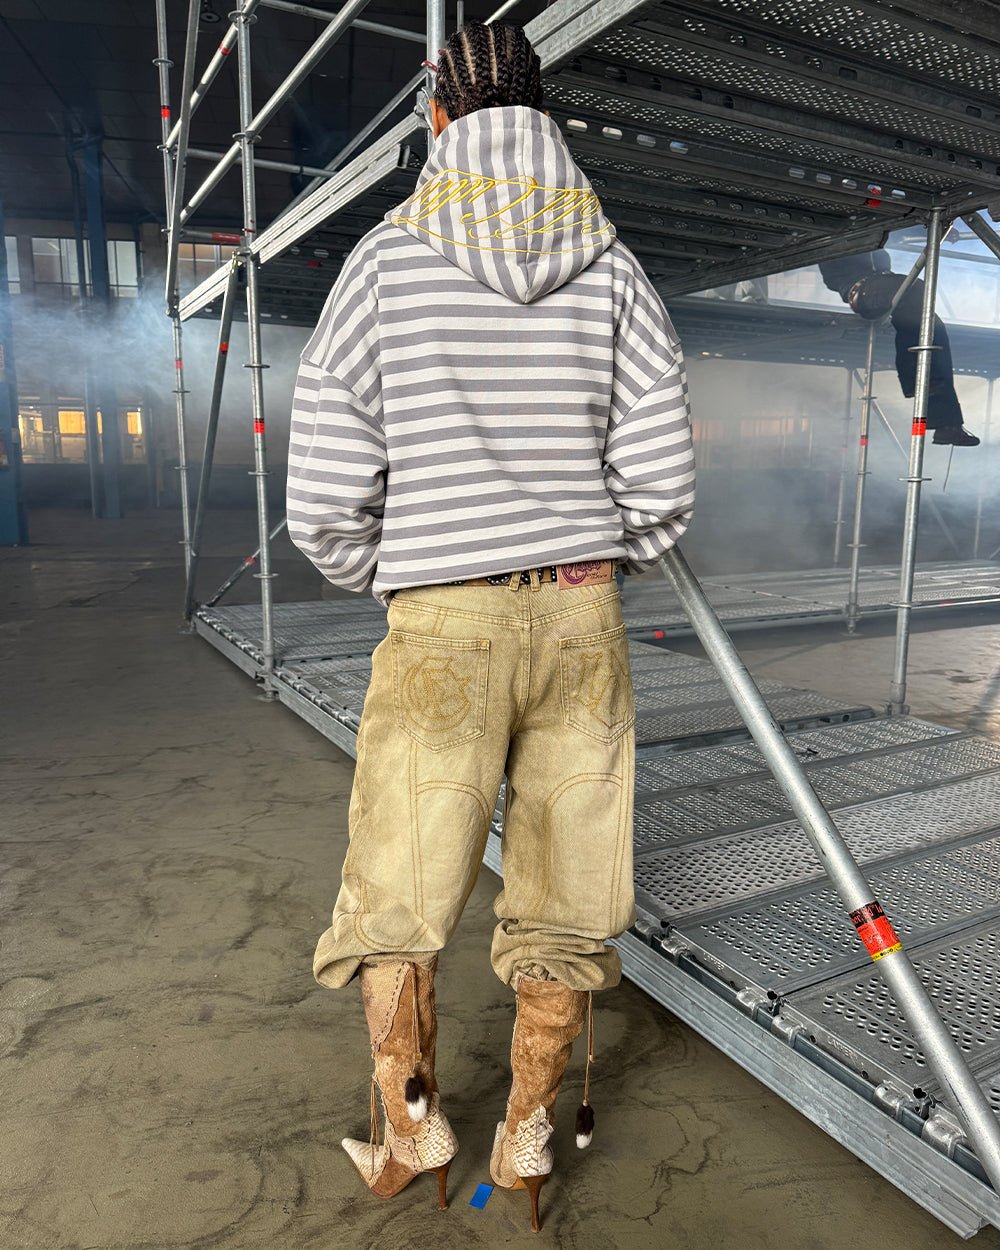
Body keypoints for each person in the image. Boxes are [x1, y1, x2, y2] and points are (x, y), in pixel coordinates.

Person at [286, 19, 695, 1231]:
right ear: (541, 113)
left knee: (399, 888)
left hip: (442, 621)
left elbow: (324, 491)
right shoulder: (612, 268)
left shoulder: (385, 264)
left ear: (437, 115)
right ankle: (524, 1143)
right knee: (567, 895)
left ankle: (412, 1131)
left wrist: (402, 572)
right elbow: (662, 474)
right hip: (580, 616)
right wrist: (604, 552)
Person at [819, 250, 980, 446]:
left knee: (935, 330)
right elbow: (830, 276)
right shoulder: (844, 240)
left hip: (887, 287)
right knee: (916, 289)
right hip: (863, 291)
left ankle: (948, 425)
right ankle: (913, 379)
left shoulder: (875, 240)